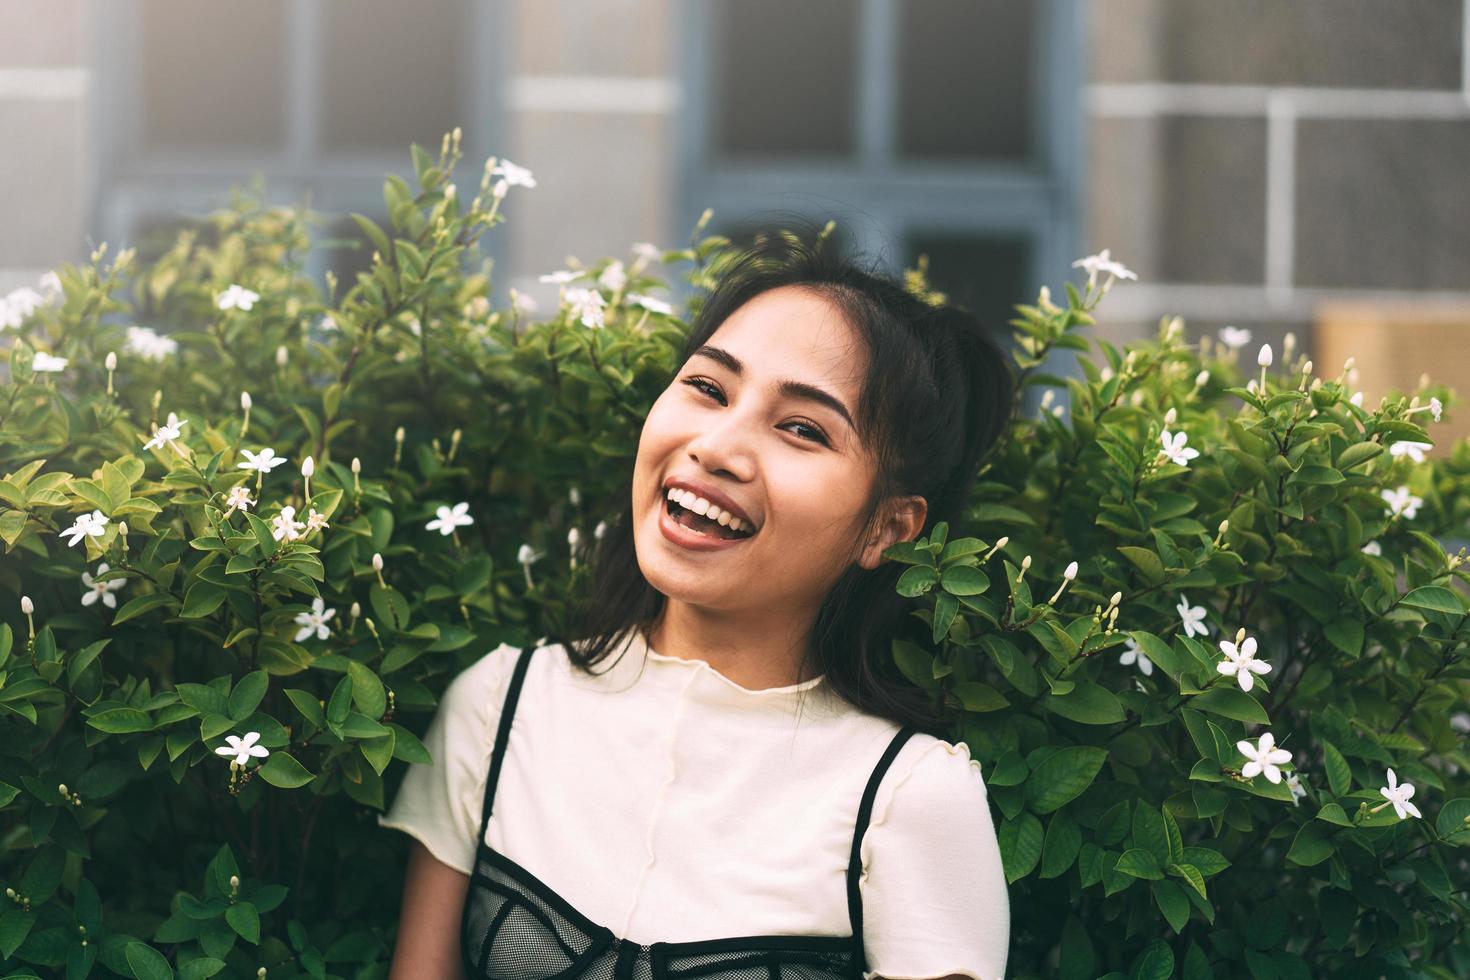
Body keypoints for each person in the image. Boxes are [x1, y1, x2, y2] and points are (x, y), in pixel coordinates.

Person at [379, 228, 1015, 979]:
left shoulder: (910, 799)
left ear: (887, 527)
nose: (716, 446)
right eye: (708, 388)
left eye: (802, 429)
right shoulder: (500, 708)